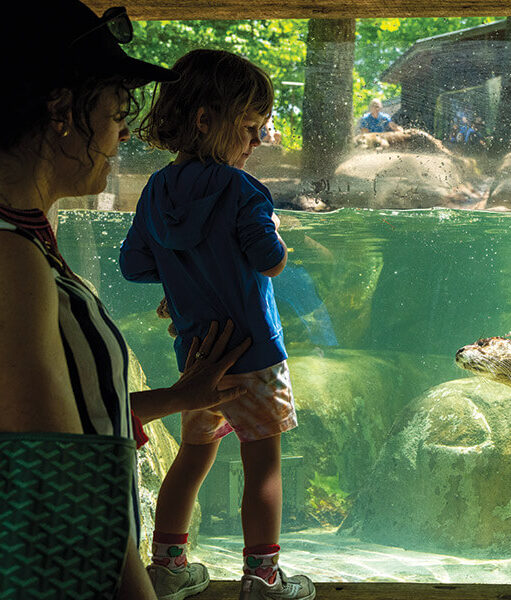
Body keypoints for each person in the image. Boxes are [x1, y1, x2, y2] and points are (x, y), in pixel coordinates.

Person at [0, 2, 252, 599]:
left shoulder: (26, 244)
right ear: (62, 111)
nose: (125, 133)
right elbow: (58, 484)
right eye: (116, 112)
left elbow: (59, 418)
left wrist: (179, 398)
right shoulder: (12, 262)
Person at [120, 49, 315, 600]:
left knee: (194, 454)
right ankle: (263, 578)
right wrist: (274, 229)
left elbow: (134, 265)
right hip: (254, 356)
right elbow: (266, 258)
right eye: (251, 128)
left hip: (196, 361)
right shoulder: (242, 190)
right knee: (263, 463)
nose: (257, 142)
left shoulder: (156, 190)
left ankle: (169, 566)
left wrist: (180, 283)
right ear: (208, 120)